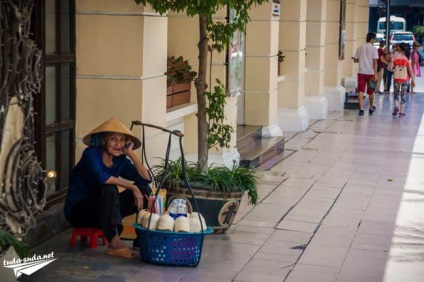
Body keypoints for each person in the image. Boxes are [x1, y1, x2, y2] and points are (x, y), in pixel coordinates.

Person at [64, 118, 152, 259]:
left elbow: (146, 178)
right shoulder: (91, 154)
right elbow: (102, 178)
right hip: (80, 212)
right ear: (104, 140)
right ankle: (114, 244)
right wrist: (132, 188)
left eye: (122, 140)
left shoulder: (120, 160)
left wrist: (131, 153)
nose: (118, 144)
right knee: (110, 188)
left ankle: (140, 240)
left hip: (105, 211)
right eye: (113, 139)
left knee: (144, 189)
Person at [352, 32, 379, 116]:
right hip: (371, 73)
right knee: (371, 91)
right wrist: (376, 74)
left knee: (360, 90)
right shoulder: (374, 49)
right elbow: (375, 62)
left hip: (361, 72)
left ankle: (361, 108)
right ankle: (371, 108)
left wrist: (358, 59)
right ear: (372, 39)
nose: (374, 41)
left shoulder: (360, 48)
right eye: (374, 39)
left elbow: (355, 60)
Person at [389, 42, 415, 117]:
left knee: (396, 93)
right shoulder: (407, 57)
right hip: (405, 78)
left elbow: (390, 68)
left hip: (396, 78)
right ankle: (401, 112)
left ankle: (396, 106)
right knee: (403, 94)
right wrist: (413, 80)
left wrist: (395, 68)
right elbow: (410, 70)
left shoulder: (394, 56)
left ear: (399, 48)